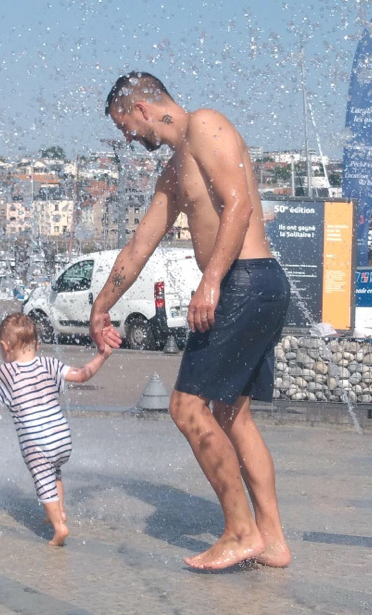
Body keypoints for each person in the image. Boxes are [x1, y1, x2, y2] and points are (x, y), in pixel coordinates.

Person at [90, 72, 291, 571]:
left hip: (245, 280)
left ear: (141, 108)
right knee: (231, 415)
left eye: (124, 125)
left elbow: (240, 205)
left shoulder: (206, 124)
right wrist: (101, 307)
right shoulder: (176, 169)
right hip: (249, 283)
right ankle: (271, 540)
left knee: (186, 408)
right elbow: (140, 245)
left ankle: (240, 532)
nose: (128, 138)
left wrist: (212, 280)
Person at [0, 313, 112, 546]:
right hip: (61, 438)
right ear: (37, 344)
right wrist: (101, 355)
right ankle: (59, 511)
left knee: (43, 480)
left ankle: (59, 527)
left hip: (36, 443)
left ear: (5, 347)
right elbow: (81, 375)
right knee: (55, 473)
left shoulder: (7, 373)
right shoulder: (49, 364)